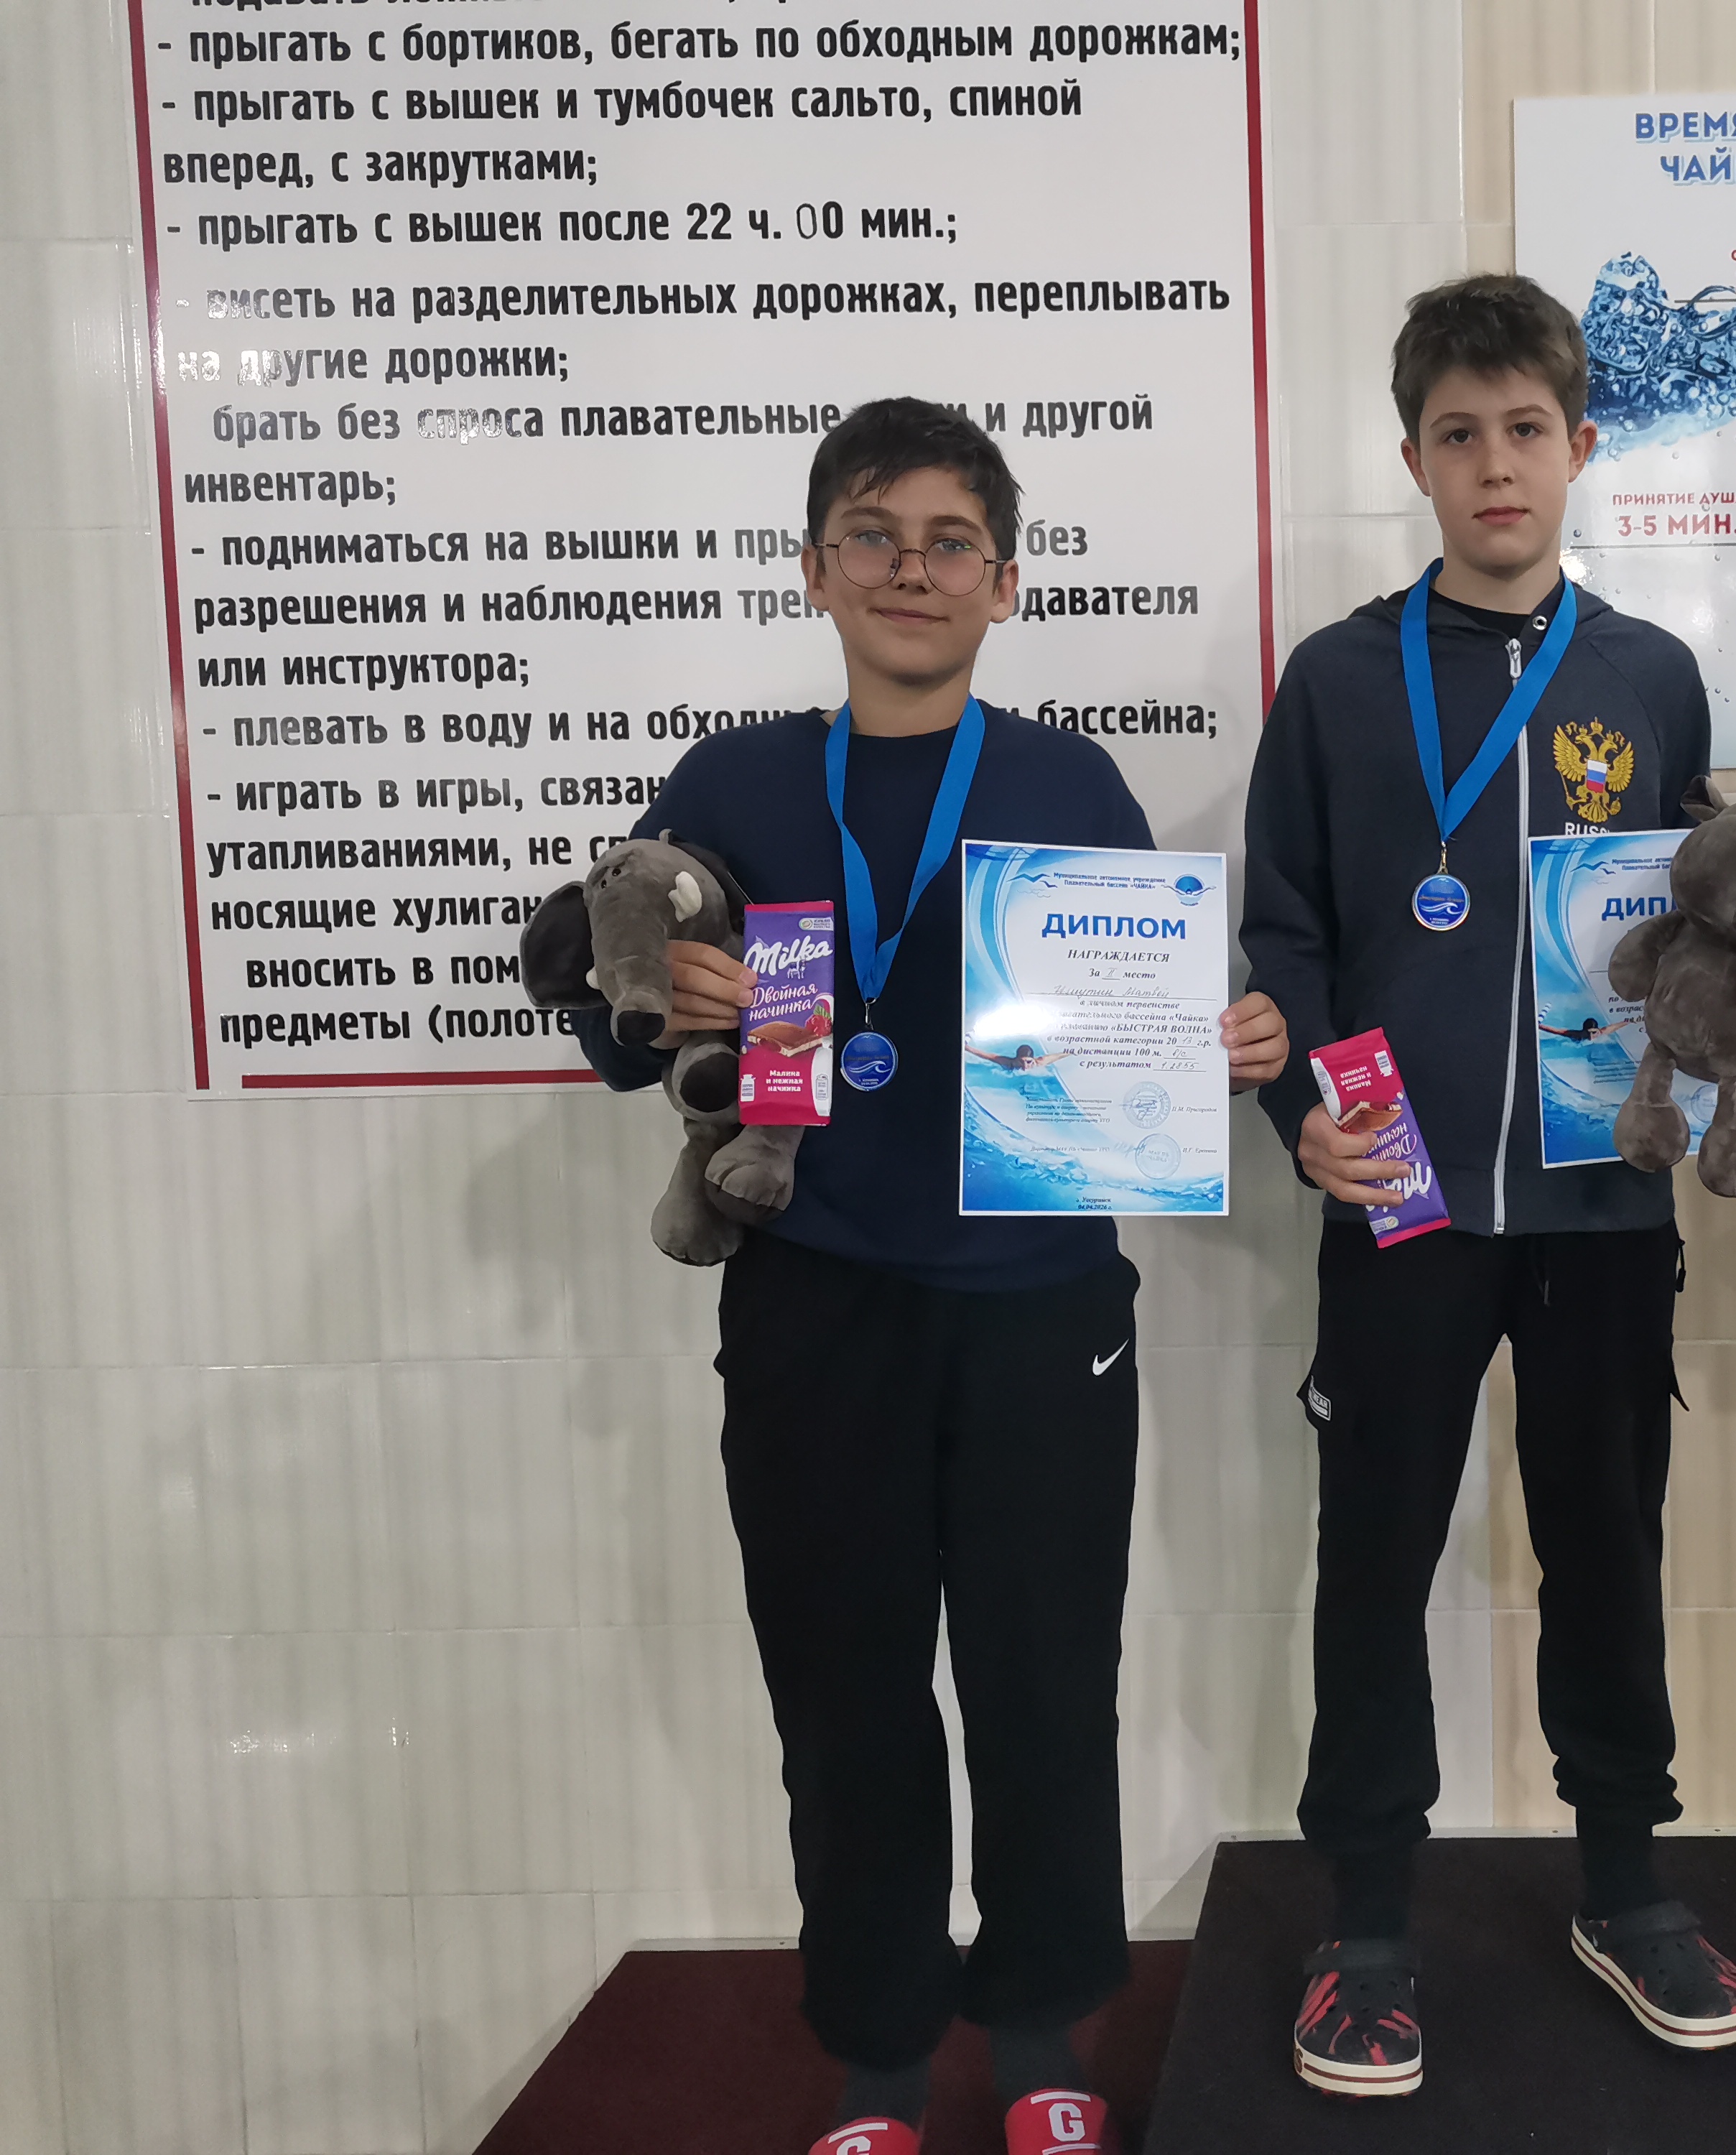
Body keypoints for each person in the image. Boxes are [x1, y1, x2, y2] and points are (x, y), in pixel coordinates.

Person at [565, 397, 1288, 2155]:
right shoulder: (733, 783)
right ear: (813, 569)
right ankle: (879, 2058)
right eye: (873, 536)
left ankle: (1044, 2043)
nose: (911, 568)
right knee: (845, 1692)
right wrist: (664, 1000)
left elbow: (1141, 1043)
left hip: (1041, 1310)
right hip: (813, 1305)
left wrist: (1226, 1050)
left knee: (1045, 1687)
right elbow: (602, 1003)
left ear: (1005, 582)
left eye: (950, 540)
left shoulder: (1067, 786)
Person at [1239, 274, 1736, 2100]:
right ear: (1411, 457)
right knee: (1372, 1561)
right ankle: (1364, 1924)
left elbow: (1702, 913)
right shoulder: (1337, 680)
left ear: (1579, 447)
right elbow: (1285, 929)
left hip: (1599, 1209)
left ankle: (1627, 1886)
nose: (1492, 466)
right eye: (1456, 435)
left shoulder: (1645, 675)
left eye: (1523, 431)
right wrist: (1304, 1122)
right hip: (1398, 1206)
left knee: (1605, 1550)